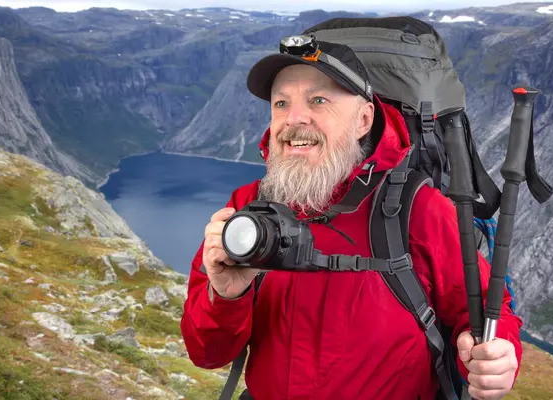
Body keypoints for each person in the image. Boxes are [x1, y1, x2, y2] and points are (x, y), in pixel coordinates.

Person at [180, 36, 523, 400]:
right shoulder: (249, 207)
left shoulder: (416, 208)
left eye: (318, 100)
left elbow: (486, 310)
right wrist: (226, 296)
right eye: (281, 103)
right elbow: (207, 354)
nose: (294, 119)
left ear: (363, 119)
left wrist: (499, 354)